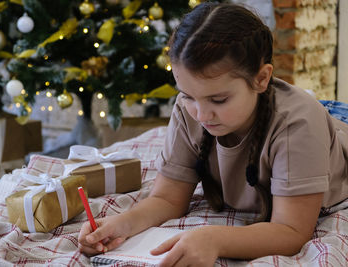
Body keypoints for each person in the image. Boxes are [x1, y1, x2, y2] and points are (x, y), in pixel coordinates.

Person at [78, 2, 348, 266]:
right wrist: (119, 225)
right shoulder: (189, 110)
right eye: (188, 96)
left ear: (262, 79)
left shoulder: (297, 125)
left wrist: (214, 239)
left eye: (218, 100)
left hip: (332, 125)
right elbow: (167, 198)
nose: (201, 115)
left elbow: (291, 231)